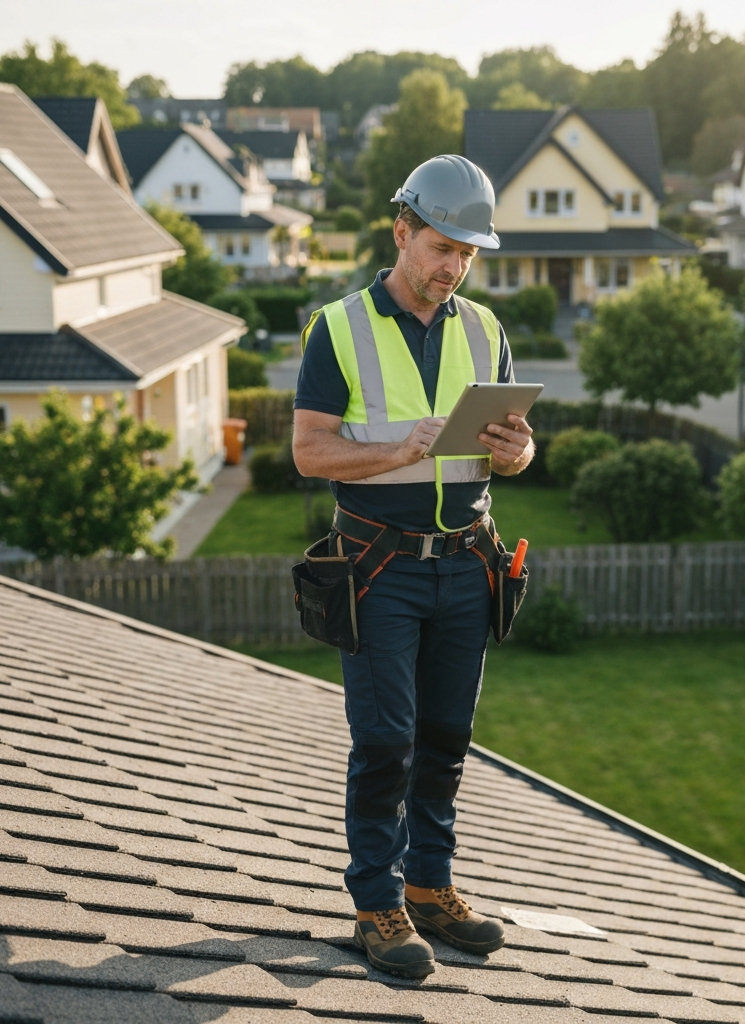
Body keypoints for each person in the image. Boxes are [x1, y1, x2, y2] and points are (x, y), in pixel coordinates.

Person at [292, 155, 534, 977]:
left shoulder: (486, 331)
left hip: (468, 565)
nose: (453, 267)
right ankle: (377, 902)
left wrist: (518, 453)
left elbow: (510, 455)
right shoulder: (338, 328)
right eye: (441, 247)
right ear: (401, 232)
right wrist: (397, 450)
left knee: (445, 739)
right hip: (378, 569)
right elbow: (308, 450)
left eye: (467, 253)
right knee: (386, 741)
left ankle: (430, 886)